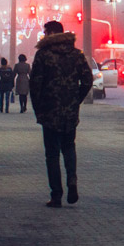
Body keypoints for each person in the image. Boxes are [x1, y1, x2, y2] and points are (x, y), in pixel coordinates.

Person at [29, 21, 92, 208]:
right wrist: (76, 100)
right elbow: (87, 80)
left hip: (49, 112)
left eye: (45, 32)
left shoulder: (43, 55)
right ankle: (72, 181)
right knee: (69, 147)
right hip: (70, 112)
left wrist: (38, 108)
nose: (44, 35)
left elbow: (35, 84)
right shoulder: (77, 54)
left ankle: (56, 195)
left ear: (51, 33)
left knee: (52, 154)